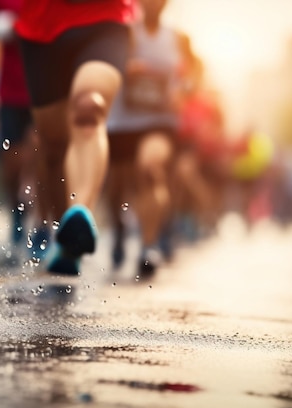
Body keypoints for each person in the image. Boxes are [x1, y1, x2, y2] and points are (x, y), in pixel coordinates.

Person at [16, 0, 134, 275]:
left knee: (88, 109)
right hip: (41, 26)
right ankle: (66, 240)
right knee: (53, 145)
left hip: (105, 19)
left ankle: (81, 210)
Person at [107, 0, 199, 277]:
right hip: (122, 120)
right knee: (116, 189)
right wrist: (125, 65)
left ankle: (149, 245)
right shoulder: (123, 30)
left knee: (150, 169)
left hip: (159, 121)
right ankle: (119, 229)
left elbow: (195, 73)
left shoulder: (179, 39)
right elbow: (102, 62)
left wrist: (183, 90)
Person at [0, 0, 36, 255]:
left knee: (41, 154)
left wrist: (24, 28)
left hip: (43, 89)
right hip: (10, 95)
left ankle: (43, 223)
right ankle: (18, 212)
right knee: (12, 164)